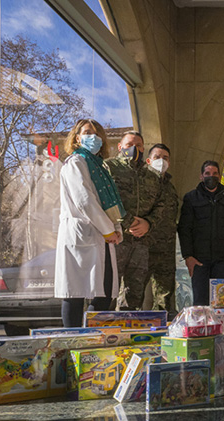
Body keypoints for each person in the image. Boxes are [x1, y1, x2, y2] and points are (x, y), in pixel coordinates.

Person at [55, 119, 124, 327]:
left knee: (103, 294)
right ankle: (73, 341)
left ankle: (91, 338)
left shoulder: (100, 167)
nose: (93, 136)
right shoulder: (75, 162)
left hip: (102, 236)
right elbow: (84, 199)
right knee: (74, 294)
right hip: (81, 233)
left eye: (96, 133)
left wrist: (116, 228)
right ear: (77, 138)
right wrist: (108, 229)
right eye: (87, 132)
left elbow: (109, 202)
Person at [105, 131, 172, 310]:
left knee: (134, 292)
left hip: (142, 241)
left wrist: (148, 223)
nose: (135, 149)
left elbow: (161, 203)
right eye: (129, 145)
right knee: (107, 290)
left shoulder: (151, 174)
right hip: (115, 238)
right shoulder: (108, 167)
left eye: (140, 145)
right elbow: (105, 199)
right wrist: (127, 222)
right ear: (120, 147)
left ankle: (127, 330)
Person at [178, 161, 224, 306]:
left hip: (222, 259)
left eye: (214, 174)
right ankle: (201, 328)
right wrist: (188, 256)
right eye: (207, 173)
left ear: (219, 176)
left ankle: (218, 328)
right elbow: (184, 229)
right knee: (200, 302)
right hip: (199, 259)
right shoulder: (191, 198)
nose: (211, 176)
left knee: (220, 301)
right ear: (201, 176)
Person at [142, 143, 179, 315]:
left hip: (165, 249)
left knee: (164, 298)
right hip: (143, 247)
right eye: (157, 157)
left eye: (165, 158)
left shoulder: (171, 188)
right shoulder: (140, 182)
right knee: (132, 294)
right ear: (149, 160)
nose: (161, 161)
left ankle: (160, 334)